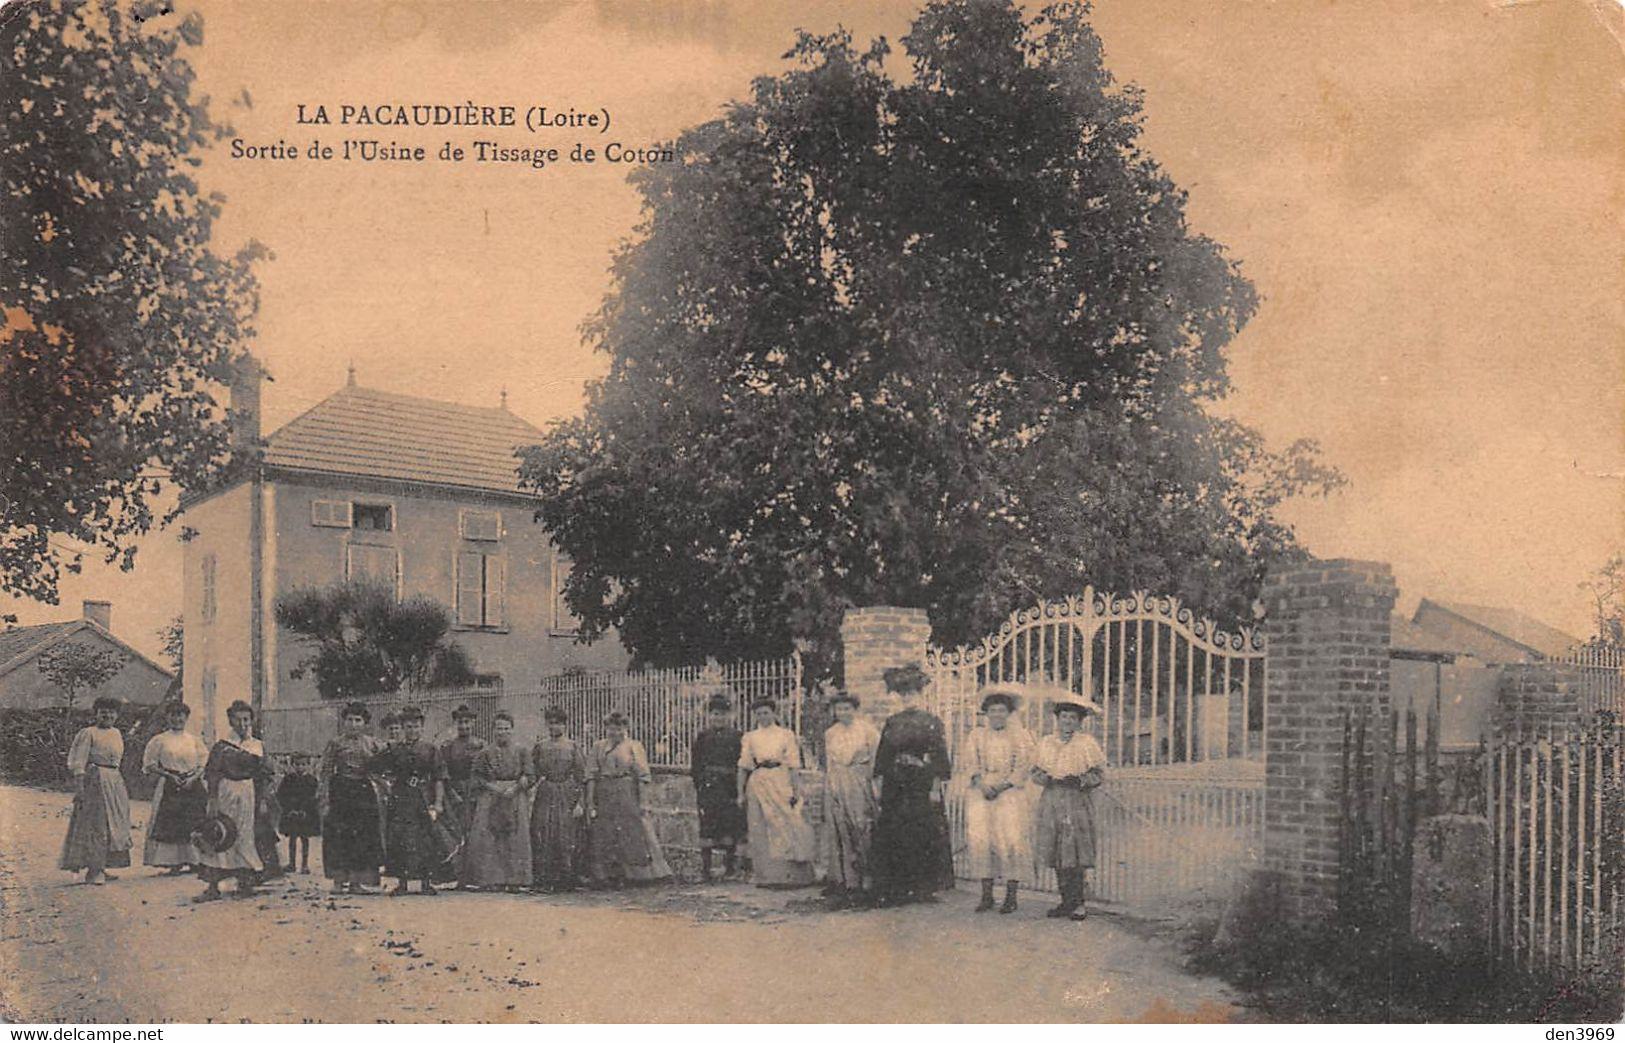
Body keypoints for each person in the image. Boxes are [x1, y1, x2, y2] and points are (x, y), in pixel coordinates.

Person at [869, 662, 955, 906]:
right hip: (895, 783)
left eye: (912, 693)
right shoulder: (892, 722)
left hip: (921, 781)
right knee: (896, 831)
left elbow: (940, 756)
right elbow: (883, 755)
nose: (908, 697)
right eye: (903, 693)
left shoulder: (932, 721)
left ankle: (924, 888)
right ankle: (898, 887)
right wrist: (878, 783)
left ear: (921, 694)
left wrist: (936, 787)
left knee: (923, 831)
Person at [1032, 698, 1107, 921]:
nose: (1068, 722)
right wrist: (1044, 777)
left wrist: (1081, 780)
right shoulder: (1046, 742)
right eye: (1064, 717)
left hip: (1076, 799)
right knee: (1057, 851)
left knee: (1074, 850)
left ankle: (1079, 903)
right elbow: (1034, 771)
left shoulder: (1086, 743)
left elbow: (1099, 774)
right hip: (1053, 798)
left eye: (1073, 718)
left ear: (1079, 722)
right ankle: (1065, 901)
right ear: (1057, 719)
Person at [964, 686, 1036, 915]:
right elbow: (970, 763)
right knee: (983, 841)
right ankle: (986, 895)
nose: (997, 715)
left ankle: (1011, 896)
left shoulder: (1020, 736)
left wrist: (1002, 786)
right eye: (993, 711)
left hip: (1009, 793)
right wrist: (982, 784)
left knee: (1011, 841)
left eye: (1002, 711)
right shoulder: (976, 735)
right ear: (986, 713)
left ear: (1009, 713)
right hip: (982, 792)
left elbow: (1023, 766)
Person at [195, 700, 274, 901]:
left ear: (252, 721)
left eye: (246, 720)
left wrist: (264, 798)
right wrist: (212, 800)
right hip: (225, 791)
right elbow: (212, 773)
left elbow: (266, 774)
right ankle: (213, 886)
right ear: (230, 721)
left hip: (248, 792)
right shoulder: (221, 746)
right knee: (219, 834)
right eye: (238, 720)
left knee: (244, 836)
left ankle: (245, 883)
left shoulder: (257, 745)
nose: (243, 724)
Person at [585, 711, 671, 887]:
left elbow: (642, 775)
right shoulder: (598, 747)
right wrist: (590, 800)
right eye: (611, 728)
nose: (614, 732)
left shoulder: (634, 746)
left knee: (632, 830)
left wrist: (643, 801)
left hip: (626, 791)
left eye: (619, 728)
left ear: (625, 728)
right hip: (605, 791)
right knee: (606, 832)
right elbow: (591, 774)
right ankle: (608, 875)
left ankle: (638, 875)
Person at [737, 698, 816, 888]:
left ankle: (792, 876)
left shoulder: (785, 735)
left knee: (788, 823)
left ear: (773, 713)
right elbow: (744, 766)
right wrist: (740, 793)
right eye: (758, 713)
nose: (762, 716)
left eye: (766, 712)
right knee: (761, 827)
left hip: (781, 780)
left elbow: (794, 765)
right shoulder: (750, 737)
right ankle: (768, 876)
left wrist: (796, 789)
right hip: (759, 782)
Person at [60, 696, 132, 885]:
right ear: (96, 714)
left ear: (117, 715)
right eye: (103, 712)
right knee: (96, 826)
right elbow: (78, 761)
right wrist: (80, 787)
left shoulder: (116, 733)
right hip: (95, 780)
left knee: (113, 825)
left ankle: (102, 865)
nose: (107, 715)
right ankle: (93, 870)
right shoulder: (88, 733)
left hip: (114, 781)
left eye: (111, 712)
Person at [373, 706, 442, 896]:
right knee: (400, 839)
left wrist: (438, 802)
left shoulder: (430, 749)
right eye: (408, 727)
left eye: (416, 726)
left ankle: (426, 882)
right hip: (401, 798)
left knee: (425, 839)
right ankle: (402, 883)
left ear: (422, 728)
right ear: (403, 728)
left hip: (423, 796)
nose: (412, 730)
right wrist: (387, 785)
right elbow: (373, 769)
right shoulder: (394, 750)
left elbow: (439, 777)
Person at [319, 702, 385, 894]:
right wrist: (324, 796)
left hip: (363, 792)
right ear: (343, 722)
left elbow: (382, 768)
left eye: (358, 720)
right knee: (339, 836)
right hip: (341, 790)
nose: (353, 724)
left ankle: (357, 882)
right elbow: (325, 771)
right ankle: (339, 882)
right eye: (349, 720)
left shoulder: (373, 744)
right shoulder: (336, 743)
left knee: (362, 836)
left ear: (365, 723)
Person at [821, 690, 880, 907]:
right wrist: (829, 787)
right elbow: (829, 763)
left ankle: (868, 881)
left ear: (855, 709)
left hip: (859, 782)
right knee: (840, 831)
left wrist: (873, 787)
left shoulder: (868, 731)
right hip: (837, 783)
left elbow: (875, 761)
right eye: (839, 708)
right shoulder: (830, 733)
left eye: (847, 708)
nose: (843, 712)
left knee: (862, 829)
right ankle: (848, 882)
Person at [464, 711, 533, 892]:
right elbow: (477, 777)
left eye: (506, 729)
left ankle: (515, 880)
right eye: (499, 728)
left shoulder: (522, 750)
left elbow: (529, 774)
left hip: (515, 796)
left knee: (515, 836)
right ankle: (492, 879)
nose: (502, 732)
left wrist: (516, 787)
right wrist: (493, 788)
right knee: (489, 836)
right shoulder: (485, 753)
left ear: (512, 730)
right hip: (491, 795)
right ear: (493, 730)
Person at [140, 701, 208, 874]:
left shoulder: (194, 740)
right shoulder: (160, 740)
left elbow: (203, 763)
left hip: (192, 783)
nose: (177, 719)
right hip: (170, 783)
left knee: (194, 820)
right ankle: (173, 862)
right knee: (171, 821)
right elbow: (150, 764)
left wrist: (193, 778)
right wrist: (170, 775)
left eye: (180, 715)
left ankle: (195, 860)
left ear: (186, 717)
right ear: (167, 717)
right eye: (173, 715)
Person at [689, 695, 746, 881]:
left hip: (729, 787)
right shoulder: (702, 737)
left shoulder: (737, 737)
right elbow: (696, 764)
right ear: (709, 716)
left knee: (729, 825)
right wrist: (700, 784)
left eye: (722, 715)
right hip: (708, 788)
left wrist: (738, 787)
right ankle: (705, 869)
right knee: (707, 826)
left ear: (729, 716)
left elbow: (742, 763)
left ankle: (729, 867)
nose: (718, 719)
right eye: (714, 715)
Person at [530, 707, 586, 892]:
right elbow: (533, 773)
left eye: (558, 723)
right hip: (546, 792)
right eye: (551, 723)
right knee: (543, 831)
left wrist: (580, 802)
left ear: (565, 725)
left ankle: (567, 877)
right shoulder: (540, 746)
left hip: (566, 792)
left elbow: (581, 776)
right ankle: (545, 877)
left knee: (565, 833)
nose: (554, 726)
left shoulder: (572, 746)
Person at [436, 704, 486, 888]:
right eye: (461, 722)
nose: (464, 726)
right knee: (457, 833)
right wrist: (452, 793)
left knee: (475, 833)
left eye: (467, 722)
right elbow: (443, 773)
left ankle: (475, 876)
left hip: (475, 793)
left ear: (473, 723)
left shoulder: (481, 745)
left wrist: (478, 791)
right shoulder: (448, 747)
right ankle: (458, 876)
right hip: (455, 793)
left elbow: (485, 771)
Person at [276, 753, 320, 874]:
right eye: (297, 764)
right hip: (291, 814)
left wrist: (305, 810)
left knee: (305, 839)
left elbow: (314, 797)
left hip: (305, 814)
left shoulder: (311, 780)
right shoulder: (288, 779)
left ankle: (304, 865)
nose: (300, 767)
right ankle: (292, 864)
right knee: (292, 839)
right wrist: (290, 809)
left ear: (308, 765)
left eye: (303, 764)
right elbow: (281, 795)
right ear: (292, 765)